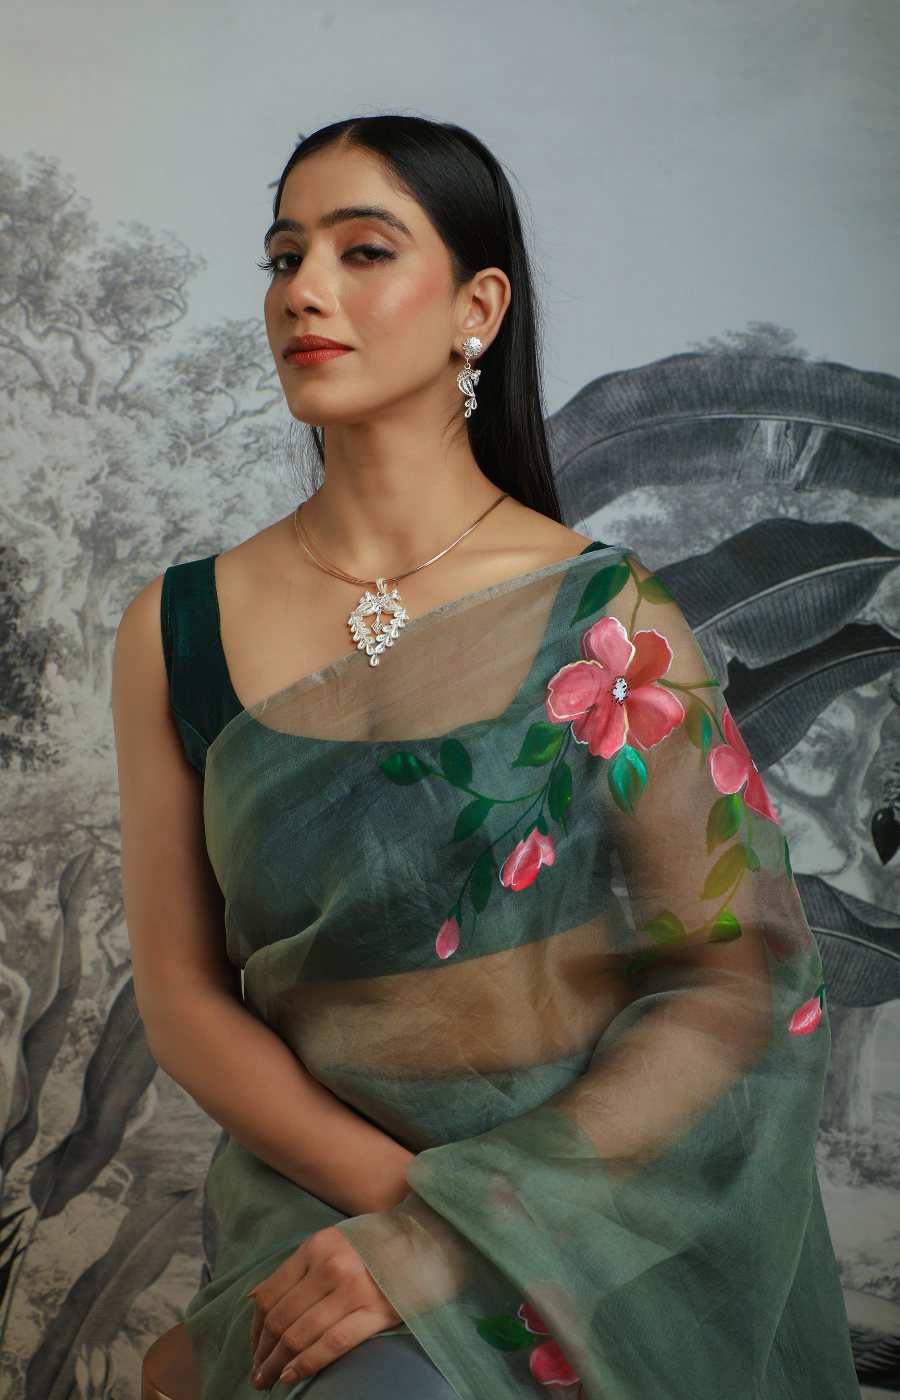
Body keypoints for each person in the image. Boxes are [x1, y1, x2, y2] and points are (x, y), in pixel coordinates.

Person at [112, 116, 859, 1400]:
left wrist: (482, 1223)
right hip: (322, 1202)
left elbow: (731, 975)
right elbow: (183, 994)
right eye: (285, 256)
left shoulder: (607, 620)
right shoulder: (176, 628)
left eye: (362, 250)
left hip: (585, 1190)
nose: (303, 290)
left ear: (478, 308)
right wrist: (416, 1215)